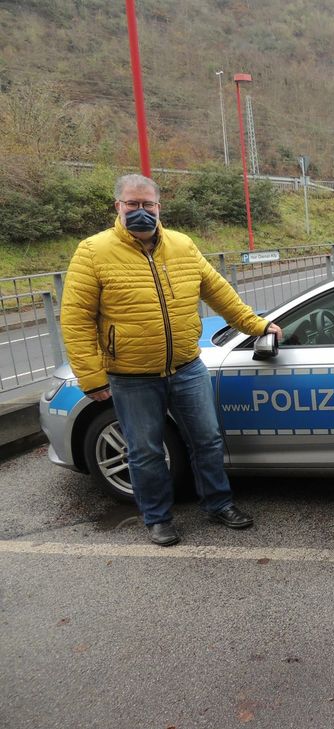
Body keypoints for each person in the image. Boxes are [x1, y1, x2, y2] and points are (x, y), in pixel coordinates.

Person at [60, 174, 283, 547]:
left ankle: (218, 504)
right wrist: (92, 377)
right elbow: (76, 318)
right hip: (131, 376)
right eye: (132, 204)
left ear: (159, 207)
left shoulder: (182, 245)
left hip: (186, 367)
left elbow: (218, 291)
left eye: (148, 204)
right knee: (145, 452)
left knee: (208, 440)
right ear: (117, 206)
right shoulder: (92, 252)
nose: (141, 211)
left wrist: (256, 324)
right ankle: (158, 519)